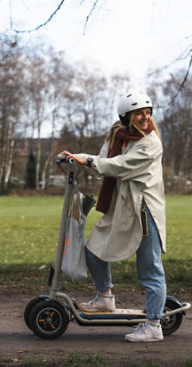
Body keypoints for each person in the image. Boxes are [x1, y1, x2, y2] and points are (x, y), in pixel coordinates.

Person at [60, 91, 167, 343]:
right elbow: (105, 160)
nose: (145, 117)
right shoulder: (118, 135)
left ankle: (153, 325)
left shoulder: (150, 143)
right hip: (120, 205)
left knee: (149, 267)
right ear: (126, 116)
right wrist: (79, 158)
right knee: (94, 250)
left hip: (143, 208)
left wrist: (86, 161)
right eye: (139, 113)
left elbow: (118, 166)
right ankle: (104, 297)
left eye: (148, 112)